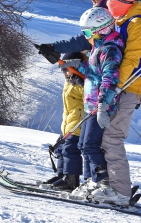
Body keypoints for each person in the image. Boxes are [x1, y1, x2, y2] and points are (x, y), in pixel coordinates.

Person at [89, 0, 141, 206]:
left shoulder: (138, 24)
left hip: (131, 86)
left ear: (123, 2)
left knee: (112, 137)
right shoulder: (121, 21)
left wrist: (115, 87)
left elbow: (130, 60)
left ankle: (120, 191)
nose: (107, 4)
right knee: (103, 136)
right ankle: (107, 184)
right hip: (121, 86)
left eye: (111, 1)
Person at [67, 7, 124, 201]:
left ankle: (103, 181)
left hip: (100, 106)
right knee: (83, 144)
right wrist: (74, 65)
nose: (86, 36)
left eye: (89, 32)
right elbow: (94, 72)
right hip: (91, 105)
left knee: (90, 144)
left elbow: (110, 78)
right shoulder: (99, 47)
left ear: (103, 28)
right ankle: (91, 180)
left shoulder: (110, 49)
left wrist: (102, 106)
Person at [36, 0, 119, 60]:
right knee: (70, 57)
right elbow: (85, 39)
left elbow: (84, 41)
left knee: (73, 58)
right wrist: (54, 47)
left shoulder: (116, 16)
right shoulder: (99, 14)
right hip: (100, 52)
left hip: (111, 59)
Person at [44, 52, 87, 191]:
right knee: (61, 149)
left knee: (70, 150)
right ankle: (62, 175)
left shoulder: (82, 82)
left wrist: (82, 83)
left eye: (66, 69)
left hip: (78, 124)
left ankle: (71, 179)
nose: (64, 72)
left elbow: (90, 96)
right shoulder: (69, 82)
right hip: (68, 124)